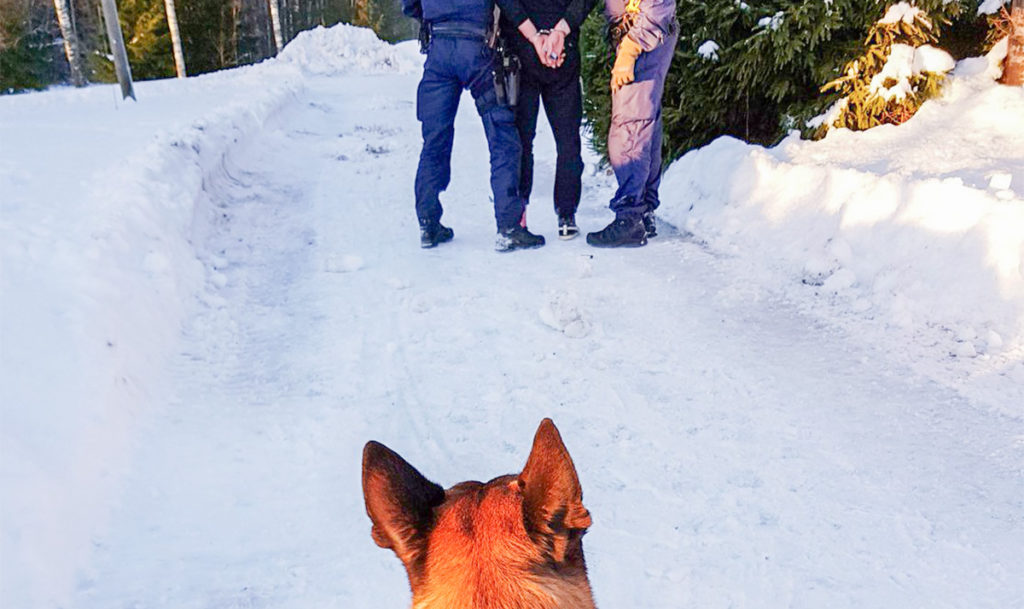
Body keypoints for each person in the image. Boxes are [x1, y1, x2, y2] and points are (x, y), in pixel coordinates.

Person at [402, 0, 548, 252]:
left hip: (438, 48)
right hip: (477, 49)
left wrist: (431, 17)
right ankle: (509, 226)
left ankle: (428, 222)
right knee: (502, 137)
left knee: (435, 139)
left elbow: (409, 4)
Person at [500, 0, 598, 240]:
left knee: (522, 140)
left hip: (521, 49)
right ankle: (566, 216)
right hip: (563, 50)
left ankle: (519, 214)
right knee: (567, 140)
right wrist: (560, 31)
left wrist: (534, 37)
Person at [586, 0, 678, 248]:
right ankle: (644, 211)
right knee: (644, 122)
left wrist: (629, 50)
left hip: (642, 37)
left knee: (631, 125)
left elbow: (659, 4)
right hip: (642, 34)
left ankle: (630, 218)